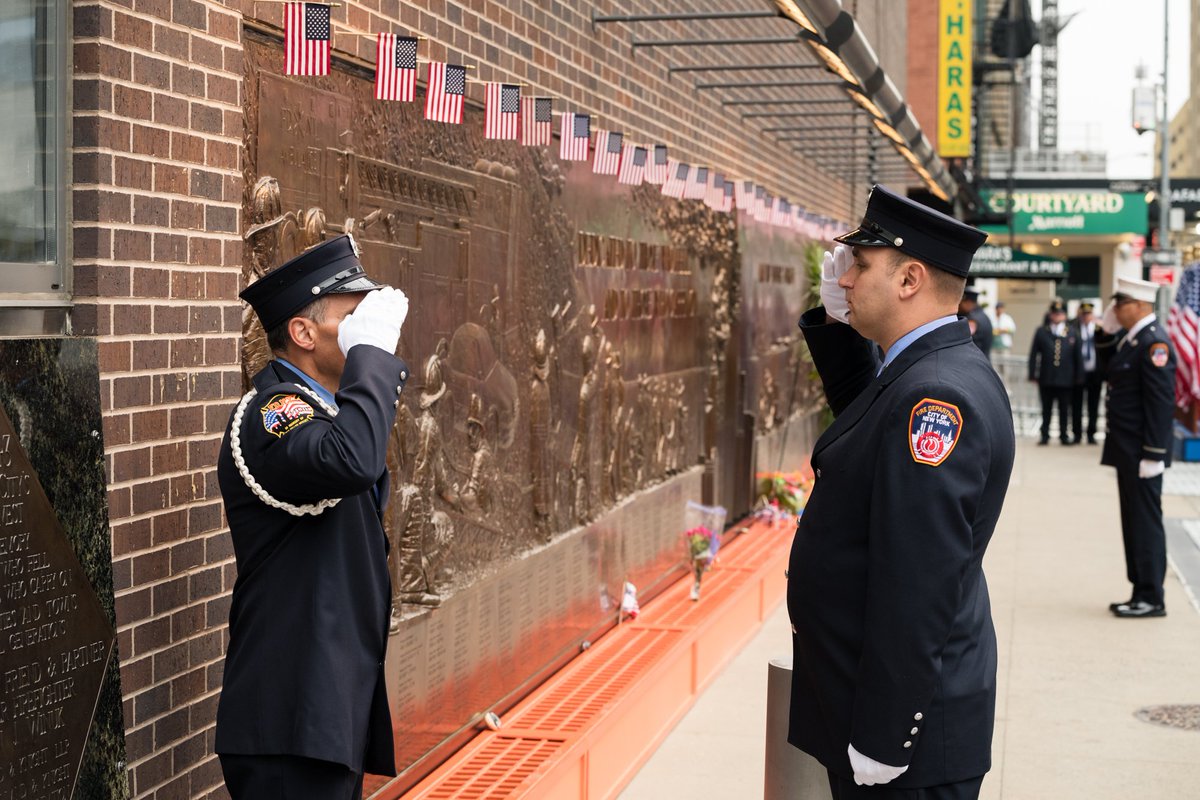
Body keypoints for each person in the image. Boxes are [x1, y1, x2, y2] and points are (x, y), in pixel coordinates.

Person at [789, 185, 1015, 799]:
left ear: (910, 278)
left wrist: (887, 736)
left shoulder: (935, 398)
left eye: (861, 266)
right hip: (881, 710)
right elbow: (869, 421)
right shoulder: (924, 371)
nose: (848, 277)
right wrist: (838, 322)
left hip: (905, 743)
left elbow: (918, 580)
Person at [215, 234, 411, 799]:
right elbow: (351, 460)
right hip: (289, 720)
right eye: (352, 317)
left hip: (323, 717)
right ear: (303, 333)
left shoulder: (325, 412)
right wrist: (371, 356)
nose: (364, 328)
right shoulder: (274, 412)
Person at [1097, 277, 1175, 618]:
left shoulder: (1153, 343)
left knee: (1144, 523)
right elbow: (1103, 372)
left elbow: (1161, 402)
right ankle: (1139, 588)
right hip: (1127, 448)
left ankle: (1151, 596)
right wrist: (1104, 332)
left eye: (1120, 304)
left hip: (1142, 452)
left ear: (1140, 305)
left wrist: (1154, 454)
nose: (1115, 309)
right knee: (1132, 522)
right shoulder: (1133, 341)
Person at [1027, 301, 1080, 445]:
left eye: (1060, 314)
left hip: (1066, 378)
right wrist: (1032, 374)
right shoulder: (1042, 331)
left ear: (1065, 315)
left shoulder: (1072, 332)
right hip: (1047, 377)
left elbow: (1078, 357)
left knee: (1064, 409)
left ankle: (1063, 434)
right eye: (1055, 314)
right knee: (1046, 408)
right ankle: (1045, 434)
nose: (1057, 316)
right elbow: (1034, 354)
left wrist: (1078, 376)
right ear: (1050, 315)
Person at [1070, 302, 1102, 444]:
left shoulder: (1099, 328)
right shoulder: (1073, 327)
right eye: (1084, 314)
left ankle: (1091, 433)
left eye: (1089, 314)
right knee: (1077, 404)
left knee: (1093, 405)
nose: (1086, 317)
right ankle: (1077, 434)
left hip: (1095, 372)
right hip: (1079, 372)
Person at [958, 286, 992, 356]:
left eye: (960, 303)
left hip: (974, 362)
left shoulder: (972, 320)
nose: (958, 307)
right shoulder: (983, 316)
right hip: (982, 361)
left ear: (968, 303)